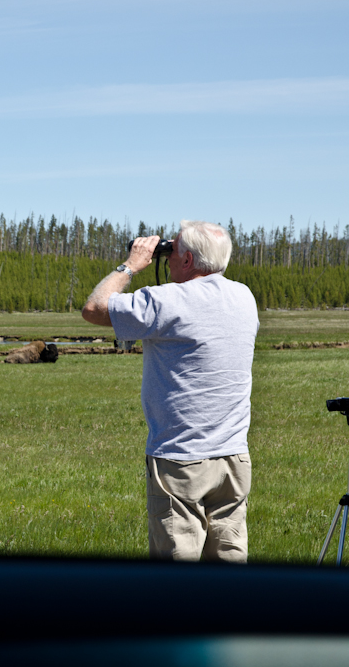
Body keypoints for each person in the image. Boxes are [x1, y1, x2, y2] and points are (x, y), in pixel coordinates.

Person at [81, 220, 259, 562]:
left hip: (181, 459)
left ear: (188, 260)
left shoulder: (166, 301)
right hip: (234, 459)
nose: (167, 257)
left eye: (172, 251)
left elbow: (95, 308)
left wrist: (131, 265)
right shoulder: (244, 296)